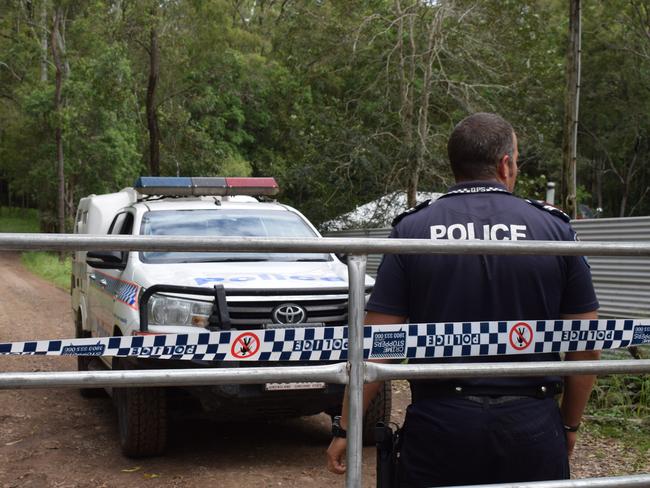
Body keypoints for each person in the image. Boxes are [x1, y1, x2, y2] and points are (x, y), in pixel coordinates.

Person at [326, 112, 600, 487]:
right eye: (516, 160)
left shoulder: (412, 229)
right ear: (505, 164)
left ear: (455, 166)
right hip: (532, 424)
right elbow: (585, 345)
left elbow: (378, 346)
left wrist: (345, 427)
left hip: (440, 424)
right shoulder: (553, 228)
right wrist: (569, 423)